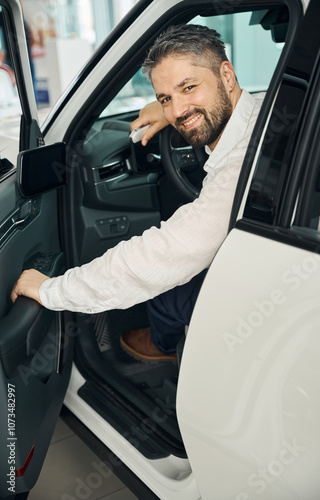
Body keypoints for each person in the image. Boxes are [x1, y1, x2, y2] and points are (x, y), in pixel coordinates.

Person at [11, 24, 265, 362]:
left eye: (189, 87)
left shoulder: (240, 166)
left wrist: (50, 290)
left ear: (227, 76)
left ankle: (163, 349)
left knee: (167, 292)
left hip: (262, 292)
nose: (178, 112)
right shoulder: (270, 111)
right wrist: (177, 107)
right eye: (166, 98)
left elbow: (155, 259)